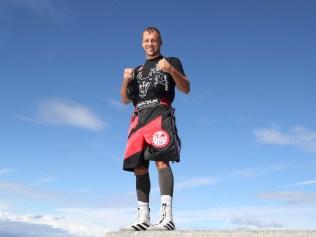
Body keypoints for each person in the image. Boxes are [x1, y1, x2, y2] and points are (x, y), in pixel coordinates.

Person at [120, 26, 190, 231]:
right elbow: (125, 100)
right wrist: (126, 80)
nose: (150, 43)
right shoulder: (137, 71)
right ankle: (143, 217)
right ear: (142, 43)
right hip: (138, 117)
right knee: (139, 167)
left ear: (160, 42)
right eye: (146, 40)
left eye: (154, 40)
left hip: (160, 113)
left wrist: (171, 70)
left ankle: (167, 217)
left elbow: (186, 88)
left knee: (161, 160)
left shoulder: (171, 62)